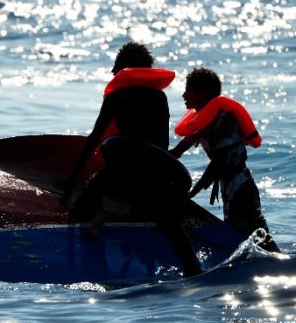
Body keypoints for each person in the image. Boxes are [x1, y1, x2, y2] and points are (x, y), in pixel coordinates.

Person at [63, 41, 202, 276]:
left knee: (99, 174)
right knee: (167, 221)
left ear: (126, 68)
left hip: (127, 166)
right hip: (162, 174)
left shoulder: (117, 96)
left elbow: (95, 139)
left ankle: (99, 219)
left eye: (116, 66)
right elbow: (161, 145)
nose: (112, 71)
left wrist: (72, 180)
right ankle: (193, 268)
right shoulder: (160, 97)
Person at [170, 67, 279, 251]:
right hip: (229, 188)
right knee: (243, 239)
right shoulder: (201, 121)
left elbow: (220, 161)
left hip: (241, 188)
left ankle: (281, 263)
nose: (183, 95)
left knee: (257, 240)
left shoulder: (222, 119)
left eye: (188, 90)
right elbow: (177, 151)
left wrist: (193, 192)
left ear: (201, 94)